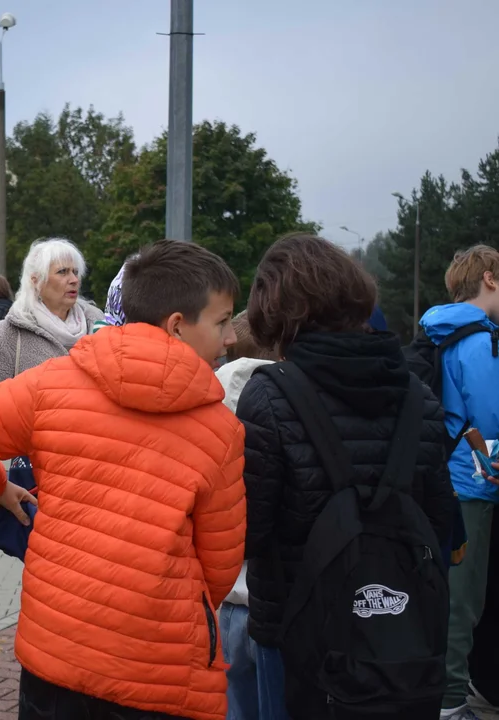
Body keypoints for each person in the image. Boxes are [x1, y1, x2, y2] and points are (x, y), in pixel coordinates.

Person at [0, 239, 247, 720]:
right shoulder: (220, 430)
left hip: (58, 656)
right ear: (178, 325)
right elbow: (218, 568)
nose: (231, 338)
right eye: (221, 322)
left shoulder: (54, 383)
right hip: (159, 670)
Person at [236, 234, 455, 719]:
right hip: (404, 640)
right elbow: (441, 520)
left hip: (297, 638)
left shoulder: (270, 395)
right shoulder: (418, 395)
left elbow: (248, 533)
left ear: (276, 311)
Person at [418, 245, 499, 720]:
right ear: (489, 279)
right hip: (472, 485)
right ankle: (450, 703)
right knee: (463, 604)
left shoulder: (442, 332)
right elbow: (490, 424)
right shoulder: (478, 342)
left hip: (446, 479)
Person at [213, 312, 280, 720]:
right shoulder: (291, 405)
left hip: (227, 602)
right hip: (274, 598)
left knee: (234, 707)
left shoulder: (208, 404)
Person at [0, 238, 102, 389]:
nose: (74, 280)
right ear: (36, 281)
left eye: (75, 272)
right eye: (62, 272)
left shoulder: (99, 325)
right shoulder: (8, 335)